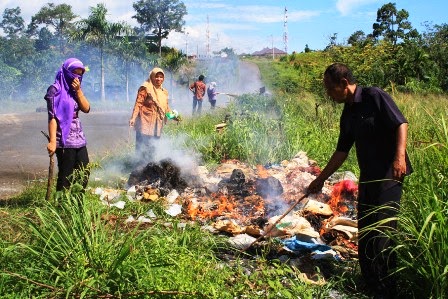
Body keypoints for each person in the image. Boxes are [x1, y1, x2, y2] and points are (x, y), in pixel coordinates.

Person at [307, 63, 412, 299]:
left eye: (330, 89)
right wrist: (319, 179)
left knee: (384, 231)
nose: (328, 94)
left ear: (344, 84)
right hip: (368, 177)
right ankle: (370, 283)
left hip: (389, 175)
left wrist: (399, 157)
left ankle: (388, 287)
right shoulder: (349, 112)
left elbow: (400, 123)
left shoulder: (375, 96)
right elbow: (342, 151)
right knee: (366, 231)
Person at [45, 58, 90, 192]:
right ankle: (61, 206)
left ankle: (77, 203)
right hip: (63, 139)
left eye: (80, 74)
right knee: (66, 175)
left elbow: (86, 108)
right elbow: (52, 117)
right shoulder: (54, 90)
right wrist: (53, 141)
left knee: (84, 171)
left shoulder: (75, 89)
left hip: (79, 138)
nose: (77, 77)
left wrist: (78, 91)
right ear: (66, 72)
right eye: (74, 73)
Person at [129, 67, 170, 162]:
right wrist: (133, 118)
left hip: (157, 124)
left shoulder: (164, 92)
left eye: (161, 77)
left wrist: (173, 116)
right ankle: (139, 169)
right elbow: (138, 104)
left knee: (153, 147)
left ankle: (150, 167)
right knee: (143, 147)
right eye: (156, 77)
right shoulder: (145, 88)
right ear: (152, 76)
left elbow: (165, 108)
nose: (159, 79)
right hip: (145, 123)